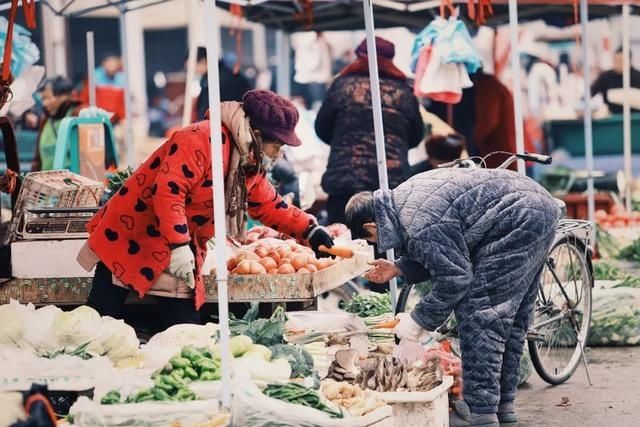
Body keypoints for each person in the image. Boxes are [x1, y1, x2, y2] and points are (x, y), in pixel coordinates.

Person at [80, 90, 334, 328]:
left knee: (184, 327)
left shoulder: (247, 162)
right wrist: (179, 244)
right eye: (276, 146)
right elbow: (169, 191)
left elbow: (269, 204)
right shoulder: (199, 139)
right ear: (256, 134)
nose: (278, 155)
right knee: (101, 318)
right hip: (131, 232)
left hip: (177, 245)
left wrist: (310, 231)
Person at [344, 169, 561, 427]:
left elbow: (455, 278)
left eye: (371, 238)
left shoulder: (417, 221)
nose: (377, 243)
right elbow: (446, 251)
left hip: (518, 217)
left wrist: (417, 322)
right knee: (511, 320)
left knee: (480, 313)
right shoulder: (403, 200)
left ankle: (481, 412)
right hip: (537, 208)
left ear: (371, 226)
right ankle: (503, 407)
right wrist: (399, 268)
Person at [315, 36, 424, 225]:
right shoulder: (403, 91)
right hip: (390, 182)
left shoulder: (341, 86)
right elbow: (416, 136)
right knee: (386, 246)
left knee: (342, 243)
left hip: (344, 181)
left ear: (359, 57)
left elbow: (322, 129)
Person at [31, 77, 83, 171]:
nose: (44, 104)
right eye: (42, 99)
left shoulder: (78, 115)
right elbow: (38, 159)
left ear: (64, 96)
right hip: (47, 182)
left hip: (74, 183)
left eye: (47, 98)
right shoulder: (45, 121)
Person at [196, 48, 252, 121]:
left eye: (193, 66)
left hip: (228, 124)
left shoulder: (214, 80)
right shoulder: (225, 73)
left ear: (203, 61)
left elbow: (205, 112)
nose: (193, 70)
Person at [591, 47, 640, 114]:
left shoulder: (637, 76)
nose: (618, 64)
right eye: (615, 60)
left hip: (635, 118)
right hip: (612, 118)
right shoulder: (605, 77)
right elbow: (590, 92)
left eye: (621, 61)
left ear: (629, 61)